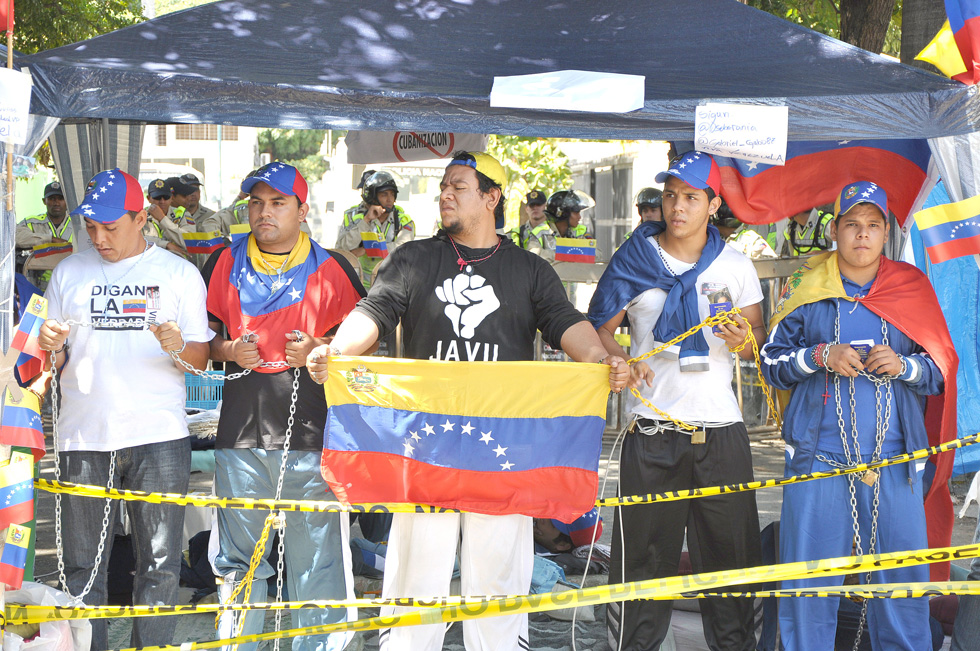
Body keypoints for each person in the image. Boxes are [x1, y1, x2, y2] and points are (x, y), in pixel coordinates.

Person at [306, 151, 628, 651]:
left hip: (502, 450)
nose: (445, 194)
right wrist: (337, 351)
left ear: (491, 197)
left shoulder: (529, 269)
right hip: (427, 446)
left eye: (458, 186)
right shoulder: (412, 258)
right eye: (443, 187)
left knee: (499, 575)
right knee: (417, 574)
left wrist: (600, 359)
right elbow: (375, 310)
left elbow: (565, 323)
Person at [760, 181, 957, 651]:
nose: (862, 235)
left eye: (872, 225)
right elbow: (771, 362)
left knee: (901, 588)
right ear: (834, 230)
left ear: (885, 232)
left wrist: (905, 365)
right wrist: (820, 355)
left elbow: (943, 369)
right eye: (851, 224)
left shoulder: (912, 287)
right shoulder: (807, 286)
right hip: (817, 460)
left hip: (894, 463)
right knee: (809, 587)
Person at [588, 151, 766, 651]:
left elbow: (756, 332)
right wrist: (620, 358)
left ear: (712, 205)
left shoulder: (734, 264)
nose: (677, 207)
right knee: (641, 563)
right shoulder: (633, 260)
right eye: (670, 196)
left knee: (731, 560)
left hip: (722, 432)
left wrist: (742, 340)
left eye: (690, 197)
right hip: (652, 430)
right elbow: (597, 327)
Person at [37, 168, 211, 650]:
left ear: (141, 219)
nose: (99, 237)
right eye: (91, 226)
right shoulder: (70, 271)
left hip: (158, 436)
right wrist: (49, 344)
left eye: (111, 227)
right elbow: (47, 361)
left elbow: (198, 362)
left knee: (159, 565)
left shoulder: (178, 273)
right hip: (84, 437)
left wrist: (179, 344)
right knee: (82, 568)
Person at [204, 162, 366, 651]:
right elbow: (200, 345)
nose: (264, 212)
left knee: (317, 565)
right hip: (240, 438)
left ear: (302, 209)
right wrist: (228, 351)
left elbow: (367, 348)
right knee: (238, 565)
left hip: (314, 439)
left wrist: (321, 346)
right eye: (256, 202)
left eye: (277, 203)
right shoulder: (221, 262)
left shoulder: (333, 268)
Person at [336, 170, 415, 289]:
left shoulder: (403, 220)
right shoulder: (352, 216)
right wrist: (366, 220)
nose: (390, 199)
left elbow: (405, 249)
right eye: (384, 194)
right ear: (372, 196)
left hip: (391, 286)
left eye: (392, 194)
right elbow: (341, 249)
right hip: (357, 285)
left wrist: (367, 249)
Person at [143, 178, 188, 256]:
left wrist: (162, 219)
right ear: (149, 198)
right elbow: (135, 240)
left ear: (171, 198)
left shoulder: (182, 214)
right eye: (157, 197)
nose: (162, 201)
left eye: (166, 197)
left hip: (177, 261)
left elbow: (189, 242)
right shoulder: (141, 215)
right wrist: (166, 244)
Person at [766, 206, 834, 256]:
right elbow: (786, 258)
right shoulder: (791, 229)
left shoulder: (827, 224)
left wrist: (823, 254)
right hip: (800, 274)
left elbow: (843, 252)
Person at [510, 189, 555, 260]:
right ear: (526, 209)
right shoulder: (517, 233)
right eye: (532, 205)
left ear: (545, 207)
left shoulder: (554, 230)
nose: (535, 208)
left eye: (538, 205)